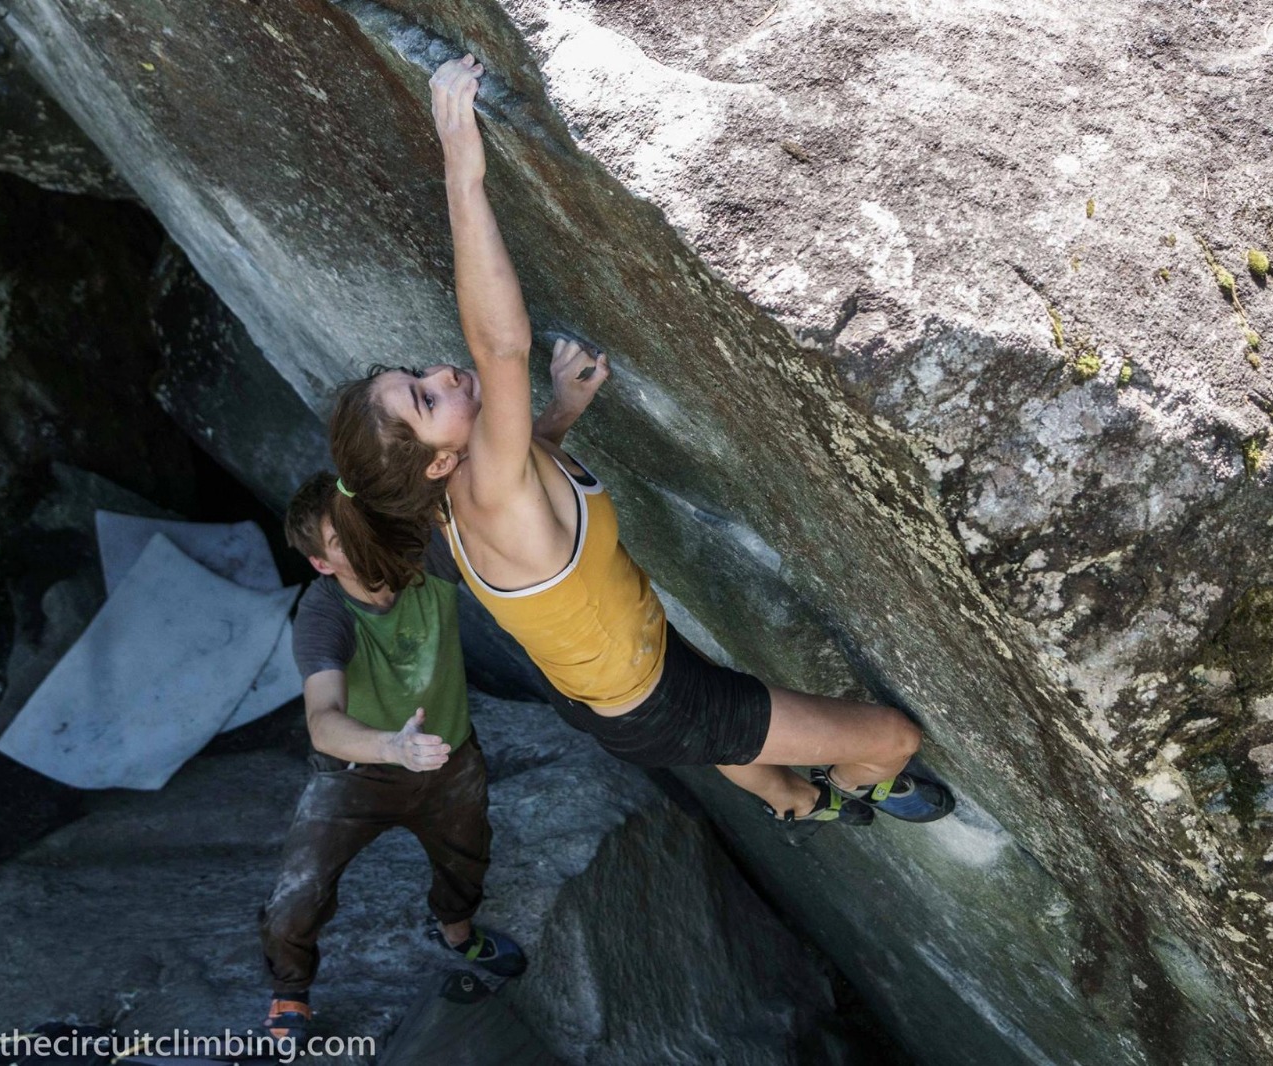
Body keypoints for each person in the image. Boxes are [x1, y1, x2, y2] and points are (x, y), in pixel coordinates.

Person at [326, 54, 954, 844]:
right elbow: (499, 346)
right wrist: (461, 167)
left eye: (417, 376)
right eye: (425, 398)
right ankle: (835, 794)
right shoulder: (484, 484)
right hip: (654, 699)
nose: (442, 372)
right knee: (891, 737)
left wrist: (560, 412)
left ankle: (787, 790)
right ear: (439, 464)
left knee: (723, 734)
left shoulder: (456, 495)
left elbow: (531, 488)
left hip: (612, 681)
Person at [258, 472, 526, 1041]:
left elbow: (503, 492)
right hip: (358, 772)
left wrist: (564, 410)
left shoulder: (422, 556)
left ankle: (457, 933)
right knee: (295, 899)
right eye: (339, 539)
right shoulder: (324, 615)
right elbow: (323, 721)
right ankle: (290, 992)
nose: (360, 538)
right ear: (322, 565)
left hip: (446, 755)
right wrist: (392, 747)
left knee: (467, 858)